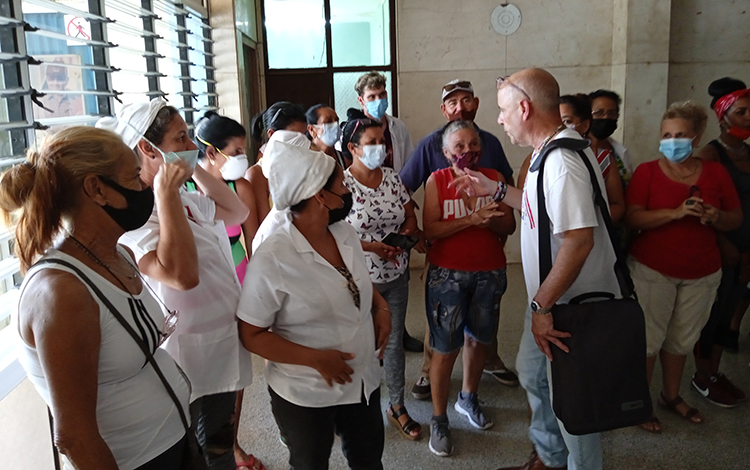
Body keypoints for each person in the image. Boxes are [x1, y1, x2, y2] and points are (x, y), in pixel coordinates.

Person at [452, 68, 621, 470]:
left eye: (502, 109)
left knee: (572, 402)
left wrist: (543, 308)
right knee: (534, 373)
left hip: (568, 305)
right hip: (550, 301)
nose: (498, 119)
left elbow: (580, 240)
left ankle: (574, 463)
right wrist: (492, 189)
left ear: (524, 108)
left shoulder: (562, 161)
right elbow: (536, 204)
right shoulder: (550, 154)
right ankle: (550, 457)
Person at [1, 127, 190, 470]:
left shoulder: (119, 256)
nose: (146, 185)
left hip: (175, 440)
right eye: (134, 177)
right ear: (97, 189)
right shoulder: (62, 292)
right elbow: (74, 436)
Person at [97, 99, 264, 470]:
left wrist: (193, 168)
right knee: (191, 447)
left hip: (220, 337)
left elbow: (237, 212)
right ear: (147, 148)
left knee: (220, 438)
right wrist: (166, 191)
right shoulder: (137, 213)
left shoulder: (186, 198)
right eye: (180, 138)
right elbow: (176, 274)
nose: (189, 145)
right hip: (183, 352)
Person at [237, 142, 391, 470]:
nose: (348, 190)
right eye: (341, 186)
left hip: (363, 380)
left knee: (368, 461)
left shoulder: (343, 232)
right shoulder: (274, 255)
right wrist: (315, 359)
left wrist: (380, 308)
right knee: (310, 464)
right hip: (307, 392)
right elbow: (251, 334)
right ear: (319, 196)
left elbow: (352, 280)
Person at [625, 101, 741, 432]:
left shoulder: (716, 173)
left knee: (682, 339)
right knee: (649, 339)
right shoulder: (647, 172)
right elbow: (633, 217)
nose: (672, 141)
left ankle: (670, 395)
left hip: (702, 273)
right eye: (666, 135)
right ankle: (642, 403)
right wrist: (675, 213)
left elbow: (735, 218)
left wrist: (715, 216)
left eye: (680, 135)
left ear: (696, 137)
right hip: (652, 269)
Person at [400, 80, 518, 398]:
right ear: (443, 109)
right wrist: (415, 230)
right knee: (441, 319)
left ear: (477, 104)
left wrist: (497, 221)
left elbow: (508, 189)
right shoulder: (429, 146)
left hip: (488, 252)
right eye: (452, 103)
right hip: (445, 255)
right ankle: (429, 370)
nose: (460, 107)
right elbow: (402, 189)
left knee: (484, 319)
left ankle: (488, 361)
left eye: (466, 100)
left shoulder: (492, 142)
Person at [423, 120, 515, 457]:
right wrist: (471, 220)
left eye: (473, 145)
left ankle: (468, 398)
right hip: (447, 274)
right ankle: (438, 417)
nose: (467, 152)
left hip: (489, 272)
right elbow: (430, 229)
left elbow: (510, 224)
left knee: (478, 339)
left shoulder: (495, 179)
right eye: (459, 147)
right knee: (445, 347)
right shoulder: (437, 180)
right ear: (447, 153)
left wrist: (494, 219)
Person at [341, 117, 423, 441]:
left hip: (396, 273)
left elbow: (410, 212)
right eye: (372, 142)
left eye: (382, 142)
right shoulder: (342, 184)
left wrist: (408, 231)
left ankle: (397, 406)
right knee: (360, 345)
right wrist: (372, 247)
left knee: (392, 345)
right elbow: (335, 234)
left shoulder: (391, 178)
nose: (381, 148)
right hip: (358, 281)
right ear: (352, 148)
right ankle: (354, 409)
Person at [697, 78, 750, 365]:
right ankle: (703, 375)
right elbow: (705, 209)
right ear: (723, 115)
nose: (748, 118)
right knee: (713, 315)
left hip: (745, 249)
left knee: (729, 313)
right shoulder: (711, 155)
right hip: (723, 250)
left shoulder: (747, 153)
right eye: (741, 112)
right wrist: (725, 244)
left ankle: (715, 372)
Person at [194, 111, 259, 282]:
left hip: (239, 276)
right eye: (236, 151)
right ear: (211, 153)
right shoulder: (185, 188)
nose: (242, 157)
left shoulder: (241, 188)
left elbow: (253, 238)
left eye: (243, 150)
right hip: (200, 280)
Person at [247, 101, 308, 222]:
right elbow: (263, 224)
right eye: (294, 136)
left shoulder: (305, 167)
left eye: (304, 135)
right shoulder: (257, 175)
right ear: (272, 134)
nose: (301, 141)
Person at [355, 71, 414, 172]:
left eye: (382, 94)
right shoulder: (352, 130)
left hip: (394, 185)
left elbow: (409, 162)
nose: (378, 100)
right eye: (372, 97)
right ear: (361, 100)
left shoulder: (398, 126)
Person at [587, 89, 634, 186]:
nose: (605, 118)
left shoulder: (620, 152)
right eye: (599, 113)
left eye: (612, 114)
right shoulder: (577, 150)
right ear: (587, 115)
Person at [306, 104, 349, 168]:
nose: (335, 125)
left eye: (336, 120)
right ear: (312, 130)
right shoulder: (305, 160)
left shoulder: (345, 160)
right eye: (328, 121)